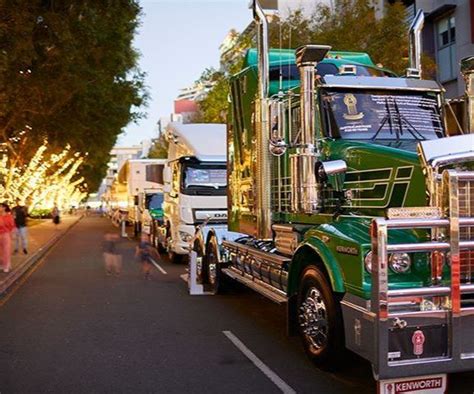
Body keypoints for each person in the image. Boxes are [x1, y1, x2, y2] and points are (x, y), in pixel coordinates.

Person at [0, 202, 15, 273]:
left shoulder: (9, 216)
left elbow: (12, 226)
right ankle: (3, 264)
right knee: (1, 251)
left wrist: (12, 234)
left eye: (0, 207)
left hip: (6, 234)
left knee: (6, 250)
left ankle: (7, 265)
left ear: (4, 208)